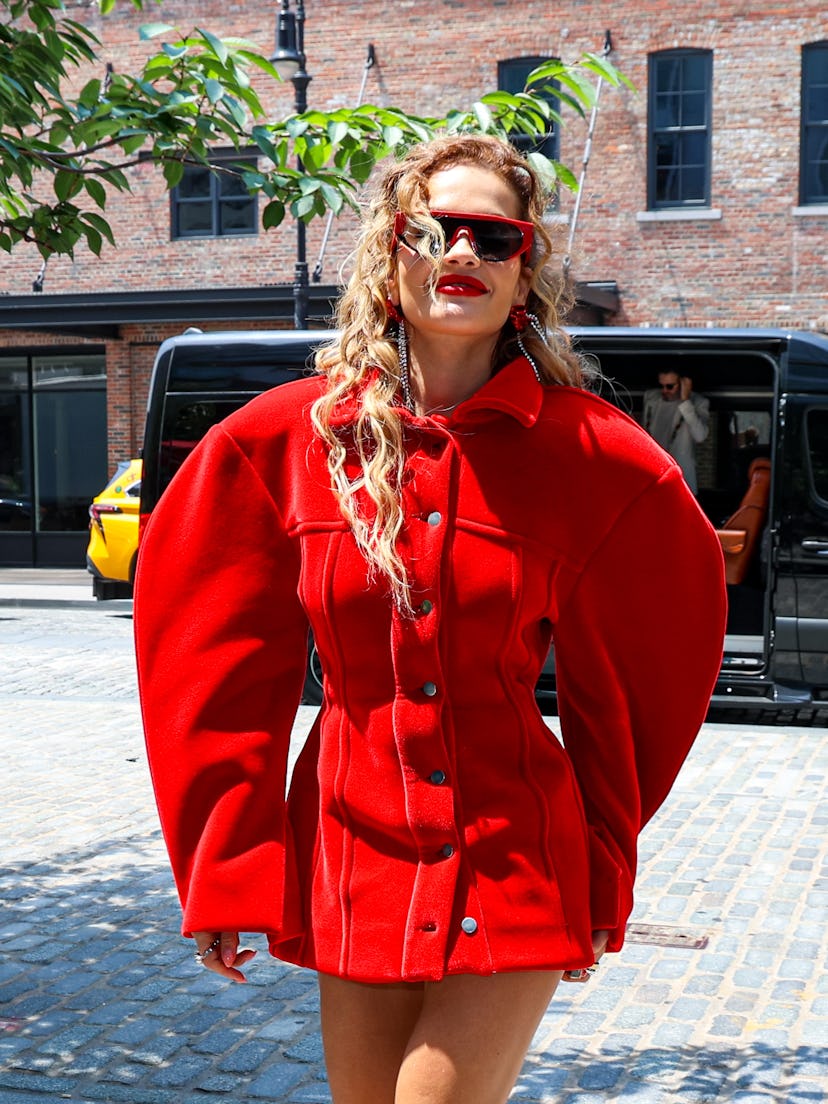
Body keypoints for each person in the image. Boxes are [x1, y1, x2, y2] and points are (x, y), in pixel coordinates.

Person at [134, 134, 727, 1104]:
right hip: (346, 841)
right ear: (388, 254)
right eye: (431, 230)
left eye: (493, 237)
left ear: (525, 271)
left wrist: (603, 866)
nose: (462, 252)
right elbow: (208, 676)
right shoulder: (279, 443)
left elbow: (640, 691)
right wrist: (223, 865)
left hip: (516, 849)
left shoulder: (601, 462)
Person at [642, 371, 710, 494]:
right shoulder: (652, 397)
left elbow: (700, 436)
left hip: (681, 479)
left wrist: (685, 401)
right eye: (661, 385)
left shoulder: (699, 402)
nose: (664, 390)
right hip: (653, 476)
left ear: (684, 384)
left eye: (670, 386)